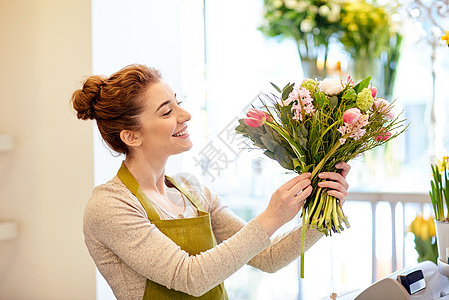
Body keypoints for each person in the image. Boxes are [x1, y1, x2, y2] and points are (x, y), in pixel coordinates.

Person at [71, 64, 351, 300]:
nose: (185, 115)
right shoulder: (110, 205)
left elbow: (267, 258)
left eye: (178, 103)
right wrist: (272, 217)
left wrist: (322, 211)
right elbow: (190, 277)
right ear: (131, 136)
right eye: (167, 112)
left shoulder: (192, 191)